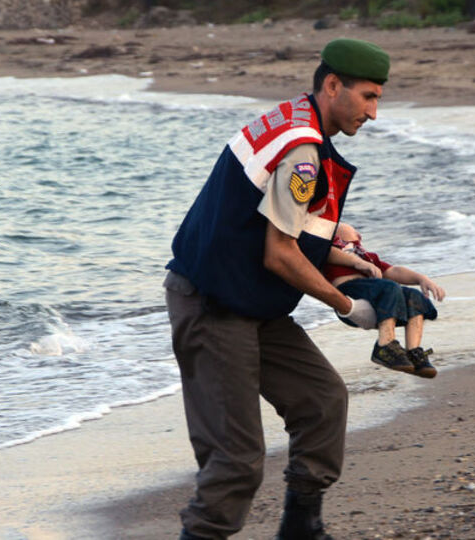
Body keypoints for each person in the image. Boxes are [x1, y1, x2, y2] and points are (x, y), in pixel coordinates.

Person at [164, 38, 390, 540]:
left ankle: (300, 530)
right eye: (368, 97)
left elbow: (282, 224)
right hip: (212, 304)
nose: (374, 113)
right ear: (333, 85)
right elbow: (280, 253)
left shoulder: (295, 118)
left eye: (378, 98)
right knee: (236, 460)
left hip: (250, 300)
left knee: (322, 400)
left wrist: (352, 258)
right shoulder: (303, 150)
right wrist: (346, 305)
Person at [323, 223, 446, 378]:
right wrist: (357, 262)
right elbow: (326, 252)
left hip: (375, 294)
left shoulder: (367, 257)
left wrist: (421, 278)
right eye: (354, 231)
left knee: (413, 296)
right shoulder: (331, 250)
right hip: (349, 291)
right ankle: (385, 345)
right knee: (390, 287)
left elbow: (394, 271)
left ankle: (413, 352)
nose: (359, 234)